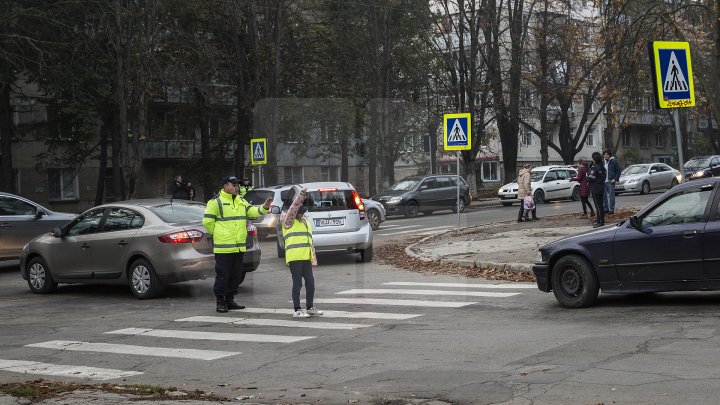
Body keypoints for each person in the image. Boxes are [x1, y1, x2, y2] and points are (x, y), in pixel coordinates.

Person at [202, 175, 273, 313]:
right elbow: (207, 222)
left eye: (237, 185)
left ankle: (230, 300)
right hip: (224, 247)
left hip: (239, 246)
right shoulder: (216, 202)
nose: (237, 188)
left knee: (235, 275)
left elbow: (252, 211)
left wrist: (264, 207)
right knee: (223, 275)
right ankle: (220, 301)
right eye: (234, 185)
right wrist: (219, 234)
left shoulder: (240, 200)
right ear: (225, 186)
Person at [280, 186, 322, 318]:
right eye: (300, 212)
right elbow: (293, 208)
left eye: (303, 212)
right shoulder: (288, 221)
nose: (302, 214)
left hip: (306, 257)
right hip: (294, 257)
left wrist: (313, 257)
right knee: (297, 283)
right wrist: (301, 195)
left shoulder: (304, 221)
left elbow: (309, 241)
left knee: (310, 283)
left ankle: (309, 307)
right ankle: (297, 309)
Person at [588, 152, 607, 228]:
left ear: (594, 159)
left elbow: (591, 178)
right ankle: (601, 221)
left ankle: (600, 222)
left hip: (595, 189)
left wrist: (587, 177)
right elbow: (603, 177)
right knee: (601, 206)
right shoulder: (603, 167)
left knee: (598, 207)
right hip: (601, 187)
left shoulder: (595, 167)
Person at [603, 149, 621, 215]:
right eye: (604, 154)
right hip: (604, 181)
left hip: (610, 181)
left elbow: (618, 171)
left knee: (611, 196)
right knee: (604, 196)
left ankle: (611, 209)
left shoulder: (614, 161)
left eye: (607, 154)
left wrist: (615, 179)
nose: (605, 155)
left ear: (610, 155)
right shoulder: (603, 162)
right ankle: (606, 209)